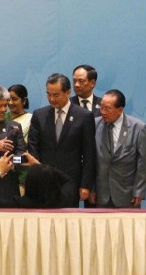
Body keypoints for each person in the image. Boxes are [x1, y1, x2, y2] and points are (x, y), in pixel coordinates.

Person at [28, 73, 96, 207]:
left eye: (56, 95)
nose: (51, 99)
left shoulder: (84, 116)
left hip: (69, 181)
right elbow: (33, 147)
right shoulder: (39, 115)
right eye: (48, 94)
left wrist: (85, 185)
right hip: (43, 180)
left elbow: (89, 154)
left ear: (68, 92)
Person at [90, 89, 146, 208]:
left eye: (108, 108)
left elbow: (143, 162)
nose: (103, 112)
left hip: (127, 193)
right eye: (101, 107)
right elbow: (90, 160)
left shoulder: (138, 128)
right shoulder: (94, 125)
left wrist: (139, 191)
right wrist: (91, 187)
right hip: (101, 193)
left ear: (120, 110)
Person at [0, 152, 74, 208]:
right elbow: (69, 181)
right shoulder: (62, 200)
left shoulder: (18, 204)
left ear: (28, 184)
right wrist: (40, 166)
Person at [7, 84, 32, 190]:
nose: (10, 103)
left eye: (14, 99)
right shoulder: (2, 117)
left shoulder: (32, 120)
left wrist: (12, 161)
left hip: (22, 175)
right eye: (8, 99)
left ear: (24, 101)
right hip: (1, 175)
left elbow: (26, 154)